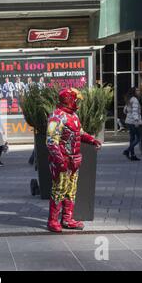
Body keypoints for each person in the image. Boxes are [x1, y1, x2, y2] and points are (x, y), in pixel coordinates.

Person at [46, 88, 101, 233]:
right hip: (62, 161)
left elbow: (79, 133)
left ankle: (67, 219)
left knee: (71, 191)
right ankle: (53, 221)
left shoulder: (73, 116)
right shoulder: (57, 117)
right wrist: (60, 161)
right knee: (58, 190)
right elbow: (51, 141)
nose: (77, 102)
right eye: (75, 99)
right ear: (69, 100)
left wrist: (91, 140)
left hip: (74, 160)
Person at [123, 87, 142, 161]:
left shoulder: (129, 99)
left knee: (132, 138)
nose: (139, 91)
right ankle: (127, 151)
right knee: (138, 138)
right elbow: (134, 111)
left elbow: (124, 110)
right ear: (134, 92)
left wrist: (129, 113)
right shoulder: (135, 100)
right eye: (137, 90)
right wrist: (136, 120)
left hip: (128, 121)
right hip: (133, 122)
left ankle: (133, 155)